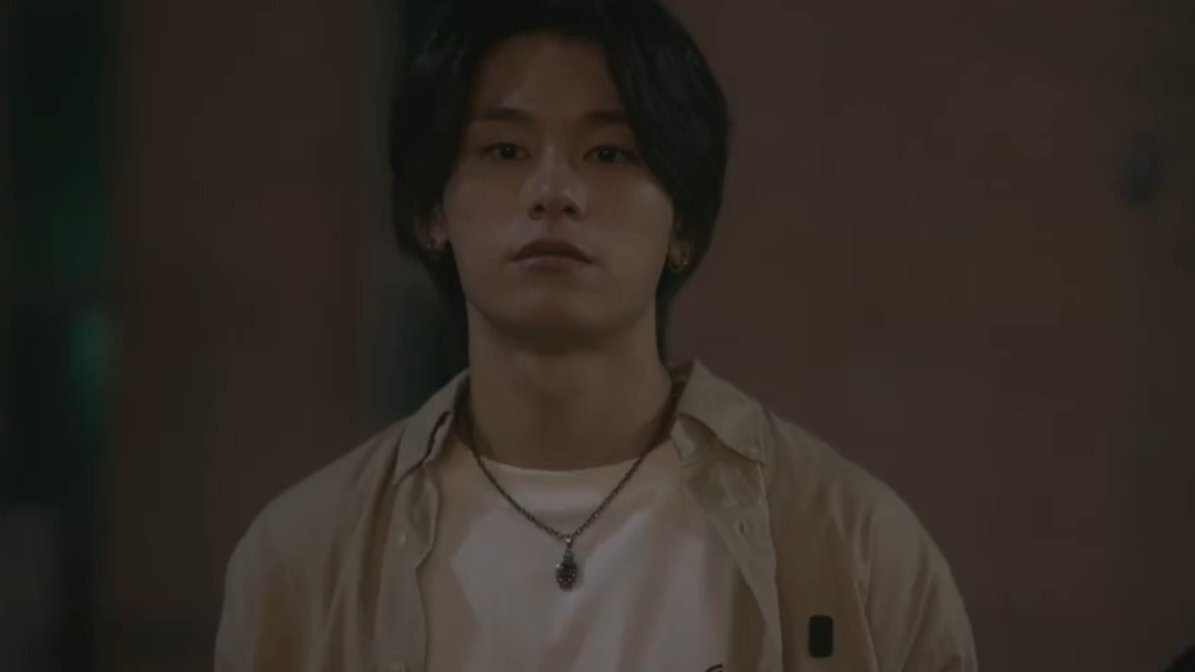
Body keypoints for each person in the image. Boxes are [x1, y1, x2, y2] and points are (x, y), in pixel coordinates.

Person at [214, 0, 978, 669]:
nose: (554, 191)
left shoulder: (852, 545)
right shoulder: (304, 559)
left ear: (684, 225)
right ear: (432, 213)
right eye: (504, 150)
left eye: (609, 153)